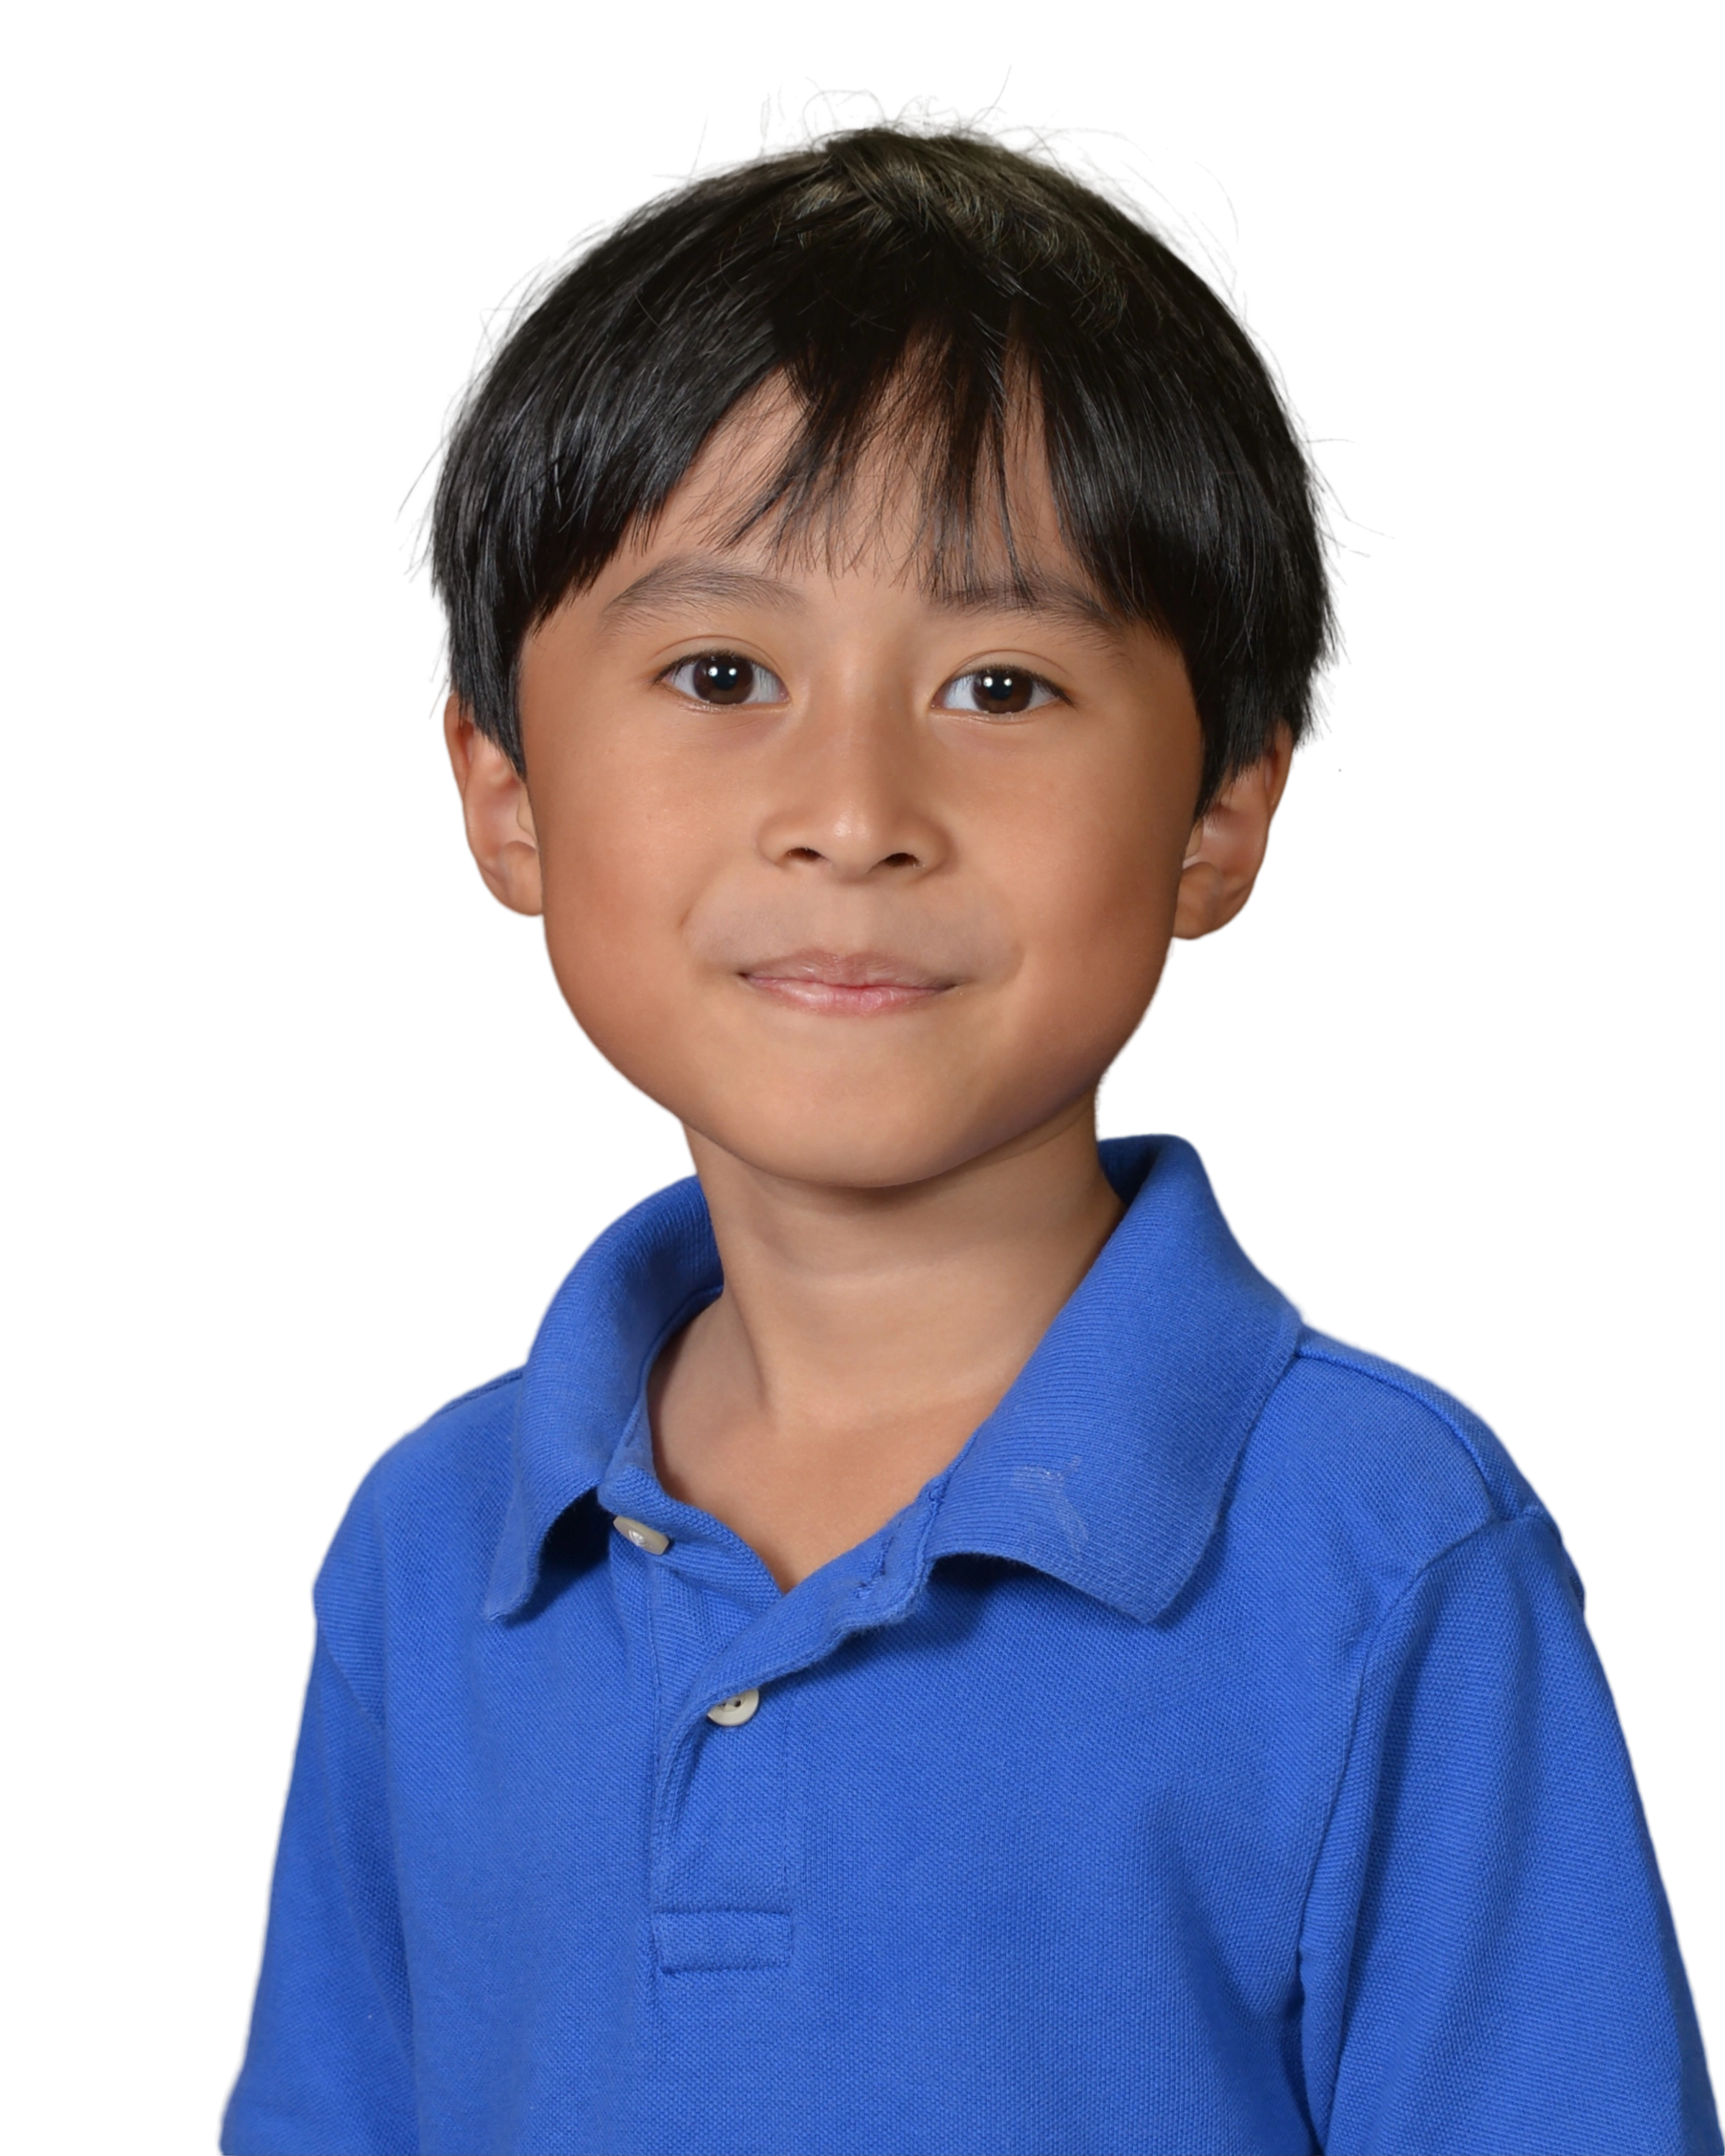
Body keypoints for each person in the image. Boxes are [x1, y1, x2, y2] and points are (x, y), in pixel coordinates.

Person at [214, 79, 1722, 2156]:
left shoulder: (1382, 1548)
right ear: (503, 792)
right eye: (722, 674)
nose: (853, 816)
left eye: (1001, 687)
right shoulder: (435, 1550)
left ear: (1222, 812)